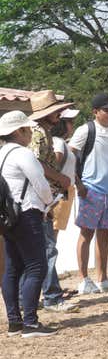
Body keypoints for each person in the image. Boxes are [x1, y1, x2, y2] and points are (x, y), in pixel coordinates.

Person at [0, 111, 58, 337]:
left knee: (13, 268)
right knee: (37, 266)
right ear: (18, 131)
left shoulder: (1, 154)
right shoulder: (23, 154)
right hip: (26, 213)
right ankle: (31, 323)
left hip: (8, 218)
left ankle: (14, 322)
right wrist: (48, 205)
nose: (30, 133)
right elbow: (41, 184)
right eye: (27, 129)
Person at [69, 93, 108, 294]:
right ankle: (84, 279)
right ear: (95, 111)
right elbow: (70, 157)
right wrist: (79, 184)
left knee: (106, 234)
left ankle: (103, 278)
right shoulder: (85, 130)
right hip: (91, 190)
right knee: (86, 233)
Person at [27, 91, 79, 313]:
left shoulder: (43, 133)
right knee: (48, 249)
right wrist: (60, 178)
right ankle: (52, 297)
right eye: (56, 111)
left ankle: (33, 298)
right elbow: (36, 164)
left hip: (43, 200)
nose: (59, 114)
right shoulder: (38, 134)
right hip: (39, 200)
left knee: (41, 249)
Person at [51, 109, 79, 239]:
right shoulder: (58, 143)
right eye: (70, 122)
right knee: (52, 234)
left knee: (54, 233)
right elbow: (54, 167)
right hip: (60, 192)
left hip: (65, 192)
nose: (72, 125)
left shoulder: (62, 143)